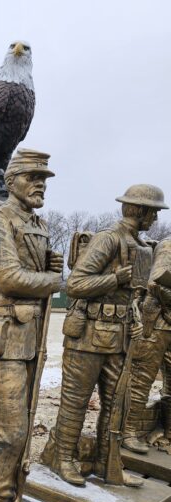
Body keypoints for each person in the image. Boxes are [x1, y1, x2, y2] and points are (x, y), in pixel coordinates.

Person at [0, 149, 62, 502]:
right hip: (4, 338)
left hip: (29, 339)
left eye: (44, 177)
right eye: (32, 176)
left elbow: (33, 274)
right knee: (8, 433)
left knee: (21, 429)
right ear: (11, 182)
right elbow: (8, 276)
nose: (40, 183)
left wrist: (50, 266)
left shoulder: (37, 225)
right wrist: (53, 279)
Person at [47, 184, 167, 486]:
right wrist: (115, 278)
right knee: (75, 402)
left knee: (116, 405)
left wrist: (136, 318)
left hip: (120, 338)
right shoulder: (108, 239)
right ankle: (63, 458)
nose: (154, 218)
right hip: (87, 337)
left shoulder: (138, 245)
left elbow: (132, 297)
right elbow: (74, 285)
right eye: (152, 211)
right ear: (138, 210)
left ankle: (106, 463)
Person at [123, 234, 171, 453]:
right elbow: (155, 283)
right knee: (141, 379)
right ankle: (127, 432)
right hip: (157, 324)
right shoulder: (168, 246)